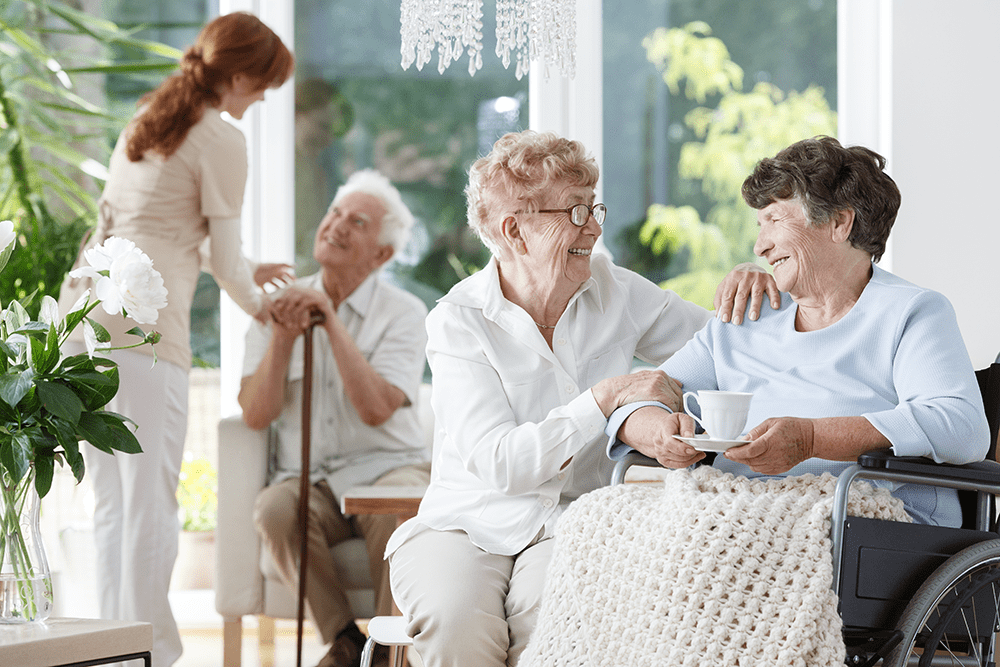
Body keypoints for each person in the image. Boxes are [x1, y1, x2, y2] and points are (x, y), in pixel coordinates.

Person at [385, 129, 780, 667]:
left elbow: (724, 350)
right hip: (465, 525)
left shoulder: (614, 289)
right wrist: (602, 398)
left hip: (572, 523)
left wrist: (751, 286)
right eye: (574, 212)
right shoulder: (459, 322)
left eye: (593, 208)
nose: (594, 228)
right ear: (515, 231)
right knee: (455, 628)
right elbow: (502, 465)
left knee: (557, 629)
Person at [56, 12, 294, 667]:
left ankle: (108, 647)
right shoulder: (221, 137)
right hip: (145, 331)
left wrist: (251, 270)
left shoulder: (149, 119)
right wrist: (266, 310)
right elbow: (221, 260)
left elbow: (158, 224)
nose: (264, 98)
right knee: (151, 499)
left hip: (87, 323)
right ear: (239, 76)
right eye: (264, 85)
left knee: (111, 501)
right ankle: (151, 647)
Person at [607, 136, 990, 526]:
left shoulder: (910, 312)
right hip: (739, 511)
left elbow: (961, 425)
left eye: (774, 220)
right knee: (602, 520)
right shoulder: (747, 315)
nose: (759, 246)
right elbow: (639, 398)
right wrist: (657, 432)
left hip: (866, 521)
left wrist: (811, 439)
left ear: (839, 222)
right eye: (759, 225)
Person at [240, 169, 431, 667]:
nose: (338, 226)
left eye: (358, 222)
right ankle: (345, 642)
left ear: (382, 255)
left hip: (388, 466)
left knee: (396, 519)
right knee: (274, 510)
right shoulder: (274, 307)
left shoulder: (404, 313)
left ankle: (392, 654)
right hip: (313, 480)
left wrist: (329, 319)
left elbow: (375, 408)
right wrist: (283, 338)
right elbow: (256, 414)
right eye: (335, 214)